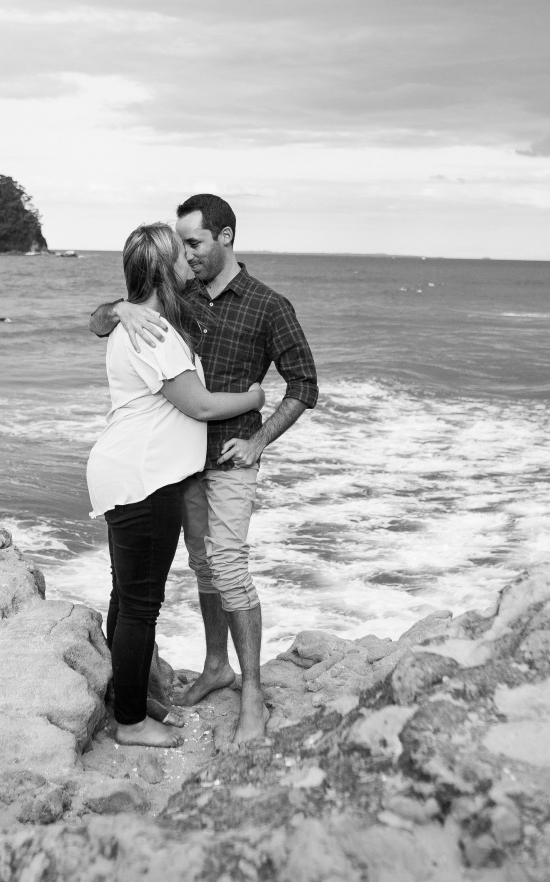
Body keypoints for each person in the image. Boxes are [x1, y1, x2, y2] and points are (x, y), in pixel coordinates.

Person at [90, 194, 318, 744]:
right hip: (179, 467)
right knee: (202, 568)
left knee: (230, 570)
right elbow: (102, 320)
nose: (187, 254)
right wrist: (120, 308)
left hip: (230, 459)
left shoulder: (268, 305)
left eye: (194, 243)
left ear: (225, 237)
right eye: (181, 246)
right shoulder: (179, 297)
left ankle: (252, 693)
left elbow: (305, 385)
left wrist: (259, 439)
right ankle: (216, 667)